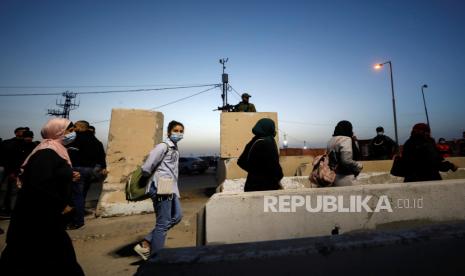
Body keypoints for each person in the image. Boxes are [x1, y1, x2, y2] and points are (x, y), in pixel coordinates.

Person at [0, 118, 84, 275]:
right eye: (69, 130)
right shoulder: (47, 152)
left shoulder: (56, 150)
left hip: (44, 219)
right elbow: (38, 185)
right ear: (58, 132)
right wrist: (61, 206)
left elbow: (51, 175)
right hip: (39, 218)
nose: (73, 134)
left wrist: (69, 176)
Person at [133, 120, 184, 261]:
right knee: (163, 223)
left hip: (170, 188)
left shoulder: (174, 148)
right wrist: (151, 179)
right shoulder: (163, 146)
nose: (178, 133)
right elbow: (147, 167)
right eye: (176, 130)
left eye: (181, 131)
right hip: (162, 187)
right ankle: (157, 258)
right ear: (169, 132)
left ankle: (147, 242)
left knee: (178, 216)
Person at [67, 120, 105, 229]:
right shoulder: (96, 141)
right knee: (82, 195)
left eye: (75, 126)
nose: (73, 128)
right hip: (91, 170)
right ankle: (79, 215)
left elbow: (70, 153)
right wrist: (102, 168)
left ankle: (77, 221)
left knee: (76, 196)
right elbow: (101, 157)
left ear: (80, 127)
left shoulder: (75, 138)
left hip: (78, 169)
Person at [237, 118, 283, 191]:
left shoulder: (254, 140)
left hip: (252, 186)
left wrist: (255, 173)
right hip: (266, 187)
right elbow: (275, 166)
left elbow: (241, 161)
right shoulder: (267, 142)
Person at [327, 120, 363, 186]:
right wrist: (359, 166)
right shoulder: (346, 139)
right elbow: (346, 160)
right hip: (346, 177)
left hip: (333, 177)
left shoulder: (331, 140)